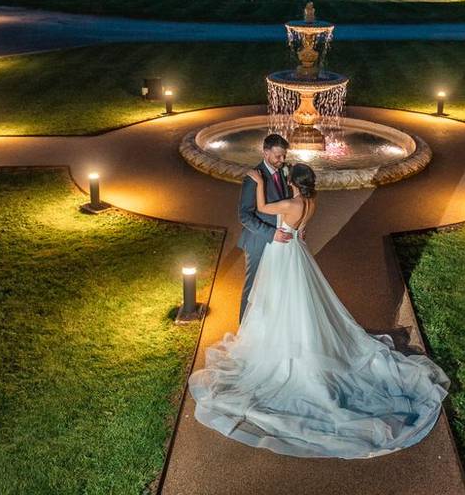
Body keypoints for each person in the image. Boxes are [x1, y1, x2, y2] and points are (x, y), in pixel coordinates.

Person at [188, 162, 450, 459]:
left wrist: (258, 183)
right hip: (296, 251)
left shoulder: (289, 202)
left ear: (295, 183)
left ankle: (282, 347)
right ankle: (295, 338)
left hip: (282, 254)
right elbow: (301, 227)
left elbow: (262, 206)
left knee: (279, 300)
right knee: (301, 302)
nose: (286, 180)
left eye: (289, 178)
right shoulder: (311, 202)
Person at [236, 133, 293, 322]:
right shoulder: (253, 178)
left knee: (274, 285)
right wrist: (271, 233)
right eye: (278, 156)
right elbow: (244, 215)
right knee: (253, 287)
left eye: (284, 156)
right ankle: (242, 330)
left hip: (277, 239)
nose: (282, 160)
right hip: (258, 241)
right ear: (265, 152)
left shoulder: (283, 171)